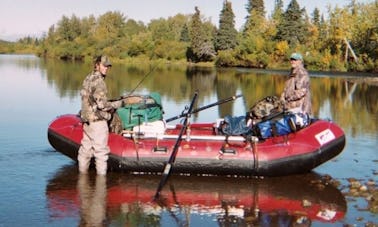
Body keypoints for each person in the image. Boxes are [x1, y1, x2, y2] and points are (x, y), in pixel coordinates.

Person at [78, 55, 123, 175]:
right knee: (101, 154)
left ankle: (82, 180)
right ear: (97, 65)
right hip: (98, 122)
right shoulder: (100, 82)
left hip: (87, 120)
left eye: (108, 66)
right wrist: (118, 103)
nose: (106, 68)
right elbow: (102, 105)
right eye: (104, 65)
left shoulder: (88, 78)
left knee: (85, 150)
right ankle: (100, 186)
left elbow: (89, 99)